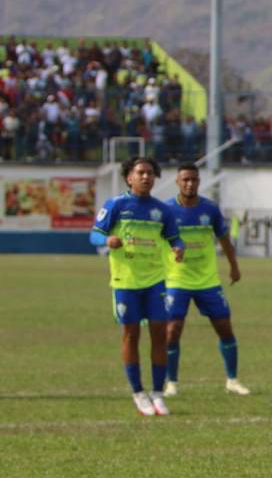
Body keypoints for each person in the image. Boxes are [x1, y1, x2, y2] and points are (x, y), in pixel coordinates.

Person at [90, 156, 185, 417]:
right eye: (141, 172)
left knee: (160, 334)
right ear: (129, 177)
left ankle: (157, 393)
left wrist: (179, 248)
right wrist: (107, 240)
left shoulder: (162, 210)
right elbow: (94, 234)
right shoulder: (116, 205)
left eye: (150, 173)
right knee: (131, 335)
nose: (146, 177)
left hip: (155, 280)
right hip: (126, 281)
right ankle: (138, 393)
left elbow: (175, 238)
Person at [162, 164, 248, 397]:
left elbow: (224, 239)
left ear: (199, 182)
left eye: (194, 179)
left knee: (224, 328)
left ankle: (232, 380)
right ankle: (171, 383)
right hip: (176, 280)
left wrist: (234, 266)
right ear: (178, 182)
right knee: (172, 331)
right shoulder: (167, 210)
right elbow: (158, 240)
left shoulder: (210, 209)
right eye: (185, 179)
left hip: (207, 281)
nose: (190, 183)